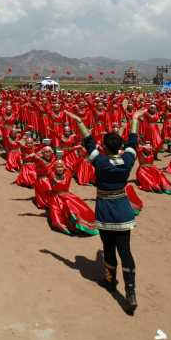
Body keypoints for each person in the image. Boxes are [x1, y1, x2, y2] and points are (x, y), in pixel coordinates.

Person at [66, 107, 144, 313]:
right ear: (120, 147)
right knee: (125, 250)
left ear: (104, 147)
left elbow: (89, 142)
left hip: (105, 211)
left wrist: (79, 121)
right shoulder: (127, 160)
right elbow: (133, 142)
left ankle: (110, 281)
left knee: (108, 248)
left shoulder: (100, 161)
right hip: (123, 211)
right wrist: (135, 119)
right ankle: (130, 290)